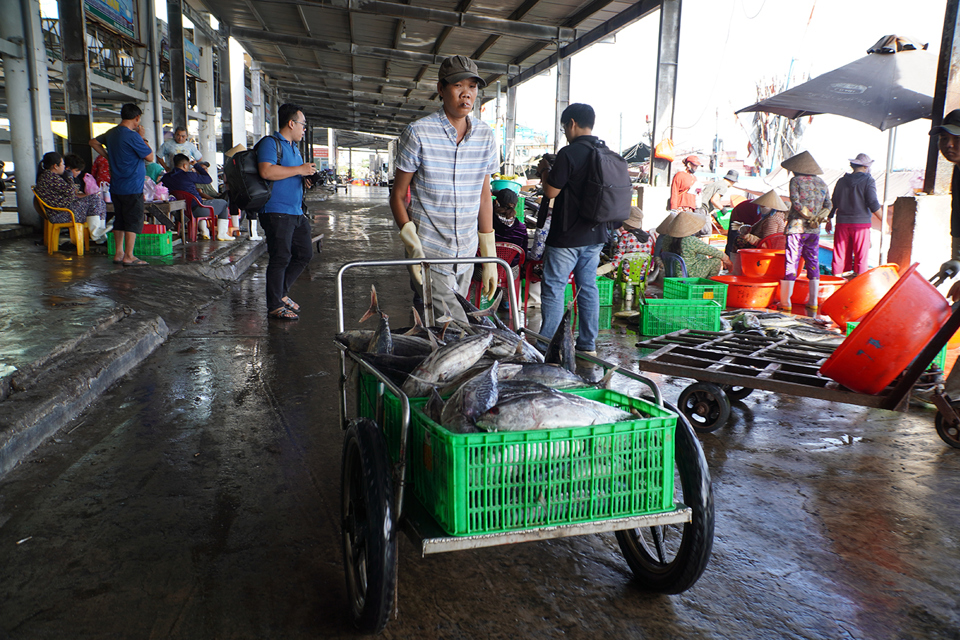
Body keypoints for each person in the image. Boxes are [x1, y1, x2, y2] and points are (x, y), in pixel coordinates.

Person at [389, 55, 498, 322]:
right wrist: (413, 246)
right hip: (431, 252)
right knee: (457, 325)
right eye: (457, 86)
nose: (466, 94)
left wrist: (489, 254)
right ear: (441, 89)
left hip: (467, 254)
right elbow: (398, 196)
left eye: (472, 87)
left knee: (442, 332)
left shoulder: (485, 136)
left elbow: (484, 196)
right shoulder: (418, 133)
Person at [535, 103, 611, 356]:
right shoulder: (605, 152)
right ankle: (588, 345)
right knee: (587, 287)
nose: (565, 132)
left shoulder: (569, 153)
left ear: (572, 123)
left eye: (564, 127)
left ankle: (547, 345)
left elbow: (550, 191)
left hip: (567, 236)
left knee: (555, 287)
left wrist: (545, 169)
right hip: (597, 234)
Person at [257, 103, 318, 320]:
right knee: (280, 257)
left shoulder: (293, 148)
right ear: (291, 123)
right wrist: (299, 170)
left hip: (295, 211)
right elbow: (266, 171)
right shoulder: (270, 143)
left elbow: (290, 174)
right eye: (302, 124)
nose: (304, 129)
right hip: (276, 210)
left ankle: (281, 293)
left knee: (304, 253)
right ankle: (274, 305)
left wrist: (304, 179)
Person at [89, 102, 154, 266]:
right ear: (137, 118)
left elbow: (93, 142)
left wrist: (108, 155)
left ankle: (119, 253)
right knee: (133, 220)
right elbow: (150, 157)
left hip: (116, 187)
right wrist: (142, 137)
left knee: (120, 219)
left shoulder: (112, 133)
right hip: (132, 186)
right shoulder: (132, 136)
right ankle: (129, 256)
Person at [780, 151, 831, 312]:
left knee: (792, 261)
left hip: (797, 227)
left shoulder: (795, 180)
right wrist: (817, 218)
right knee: (813, 261)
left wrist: (808, 216)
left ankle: (786, 302)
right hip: (814, 230)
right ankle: (813, 301)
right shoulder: (822, 183)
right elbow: (828, 205)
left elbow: (796, 204)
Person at [826, 153, 881, 277]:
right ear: (866, 167)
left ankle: (836, 282)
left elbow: (833, 202)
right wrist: (884, 221)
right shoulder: (868, 180)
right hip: (861, 225)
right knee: (861, 256)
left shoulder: (841, 181)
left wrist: (829, 219)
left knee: (840, 254)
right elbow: (873, 202)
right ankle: (858, 285)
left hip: (842, 223)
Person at [35, 151, 109, 243]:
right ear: (55, 166)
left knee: (99, 201)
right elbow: (70, 192)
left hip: (63, 211)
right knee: (94, 199)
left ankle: (100, 232)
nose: (64, 166)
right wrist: (69, 178)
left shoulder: (49, 176)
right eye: (62, 164)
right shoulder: (50, 177)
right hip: (60, 214)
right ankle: (96, 233)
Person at [160, 153, 233, 241]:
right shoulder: (189, 175)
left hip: (179, 212)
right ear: (184, 165)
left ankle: (205, 232)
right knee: (224, 203)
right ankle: (222, 234)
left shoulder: (166, 177)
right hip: (197, 209)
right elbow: (208, 179)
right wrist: (196, 165)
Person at [933, 109, 960, 302]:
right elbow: (958, 217)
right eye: (944, 138)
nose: (949, 145)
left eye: (957, 138)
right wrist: (957, 257)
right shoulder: (957, 171)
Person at [661, 209, 731, 278]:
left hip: (672, 273)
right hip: (688, 274)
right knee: (716, 261)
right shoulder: (689, 240)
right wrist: (727, 260)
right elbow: (713, 251)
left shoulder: (667, 238)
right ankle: (708, 286)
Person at [608, 206, 654, 276]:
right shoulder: (649, 238)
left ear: (626, 223)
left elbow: (617, 260)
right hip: (643, 274)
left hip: (627, 273)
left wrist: (604, 268)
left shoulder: (626, 237)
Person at [491, 188, 528, 261]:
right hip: (511, 270)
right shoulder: (521, 229)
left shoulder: (486, 224)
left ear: (496, 202)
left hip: (484, 268)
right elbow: (524, 255)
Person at [698, 169, 738, 234]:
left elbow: (706, 198)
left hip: (699, 208)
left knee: (700, 232)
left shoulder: (716, 183)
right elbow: (714, 200)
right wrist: (722, 209)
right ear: (733, 181)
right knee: (706, 233)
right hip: (703, 209)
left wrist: (712, 211)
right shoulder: (723, 186)